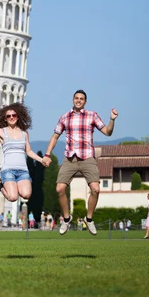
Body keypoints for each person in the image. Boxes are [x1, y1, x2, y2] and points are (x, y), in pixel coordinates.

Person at [43, 90, 118, 236]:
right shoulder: (64, 117)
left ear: (85, 102)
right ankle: (66, 218)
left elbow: (108, 132)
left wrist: (112, 119)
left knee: (95, 189)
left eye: (81, 99)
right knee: (59, 189)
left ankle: (89, 219)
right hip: (70, 158)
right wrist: (47, 154)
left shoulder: (92, 115)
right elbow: (55, 136)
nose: (78, 100)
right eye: (76, 98)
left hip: (87, 157)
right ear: (72, 100)